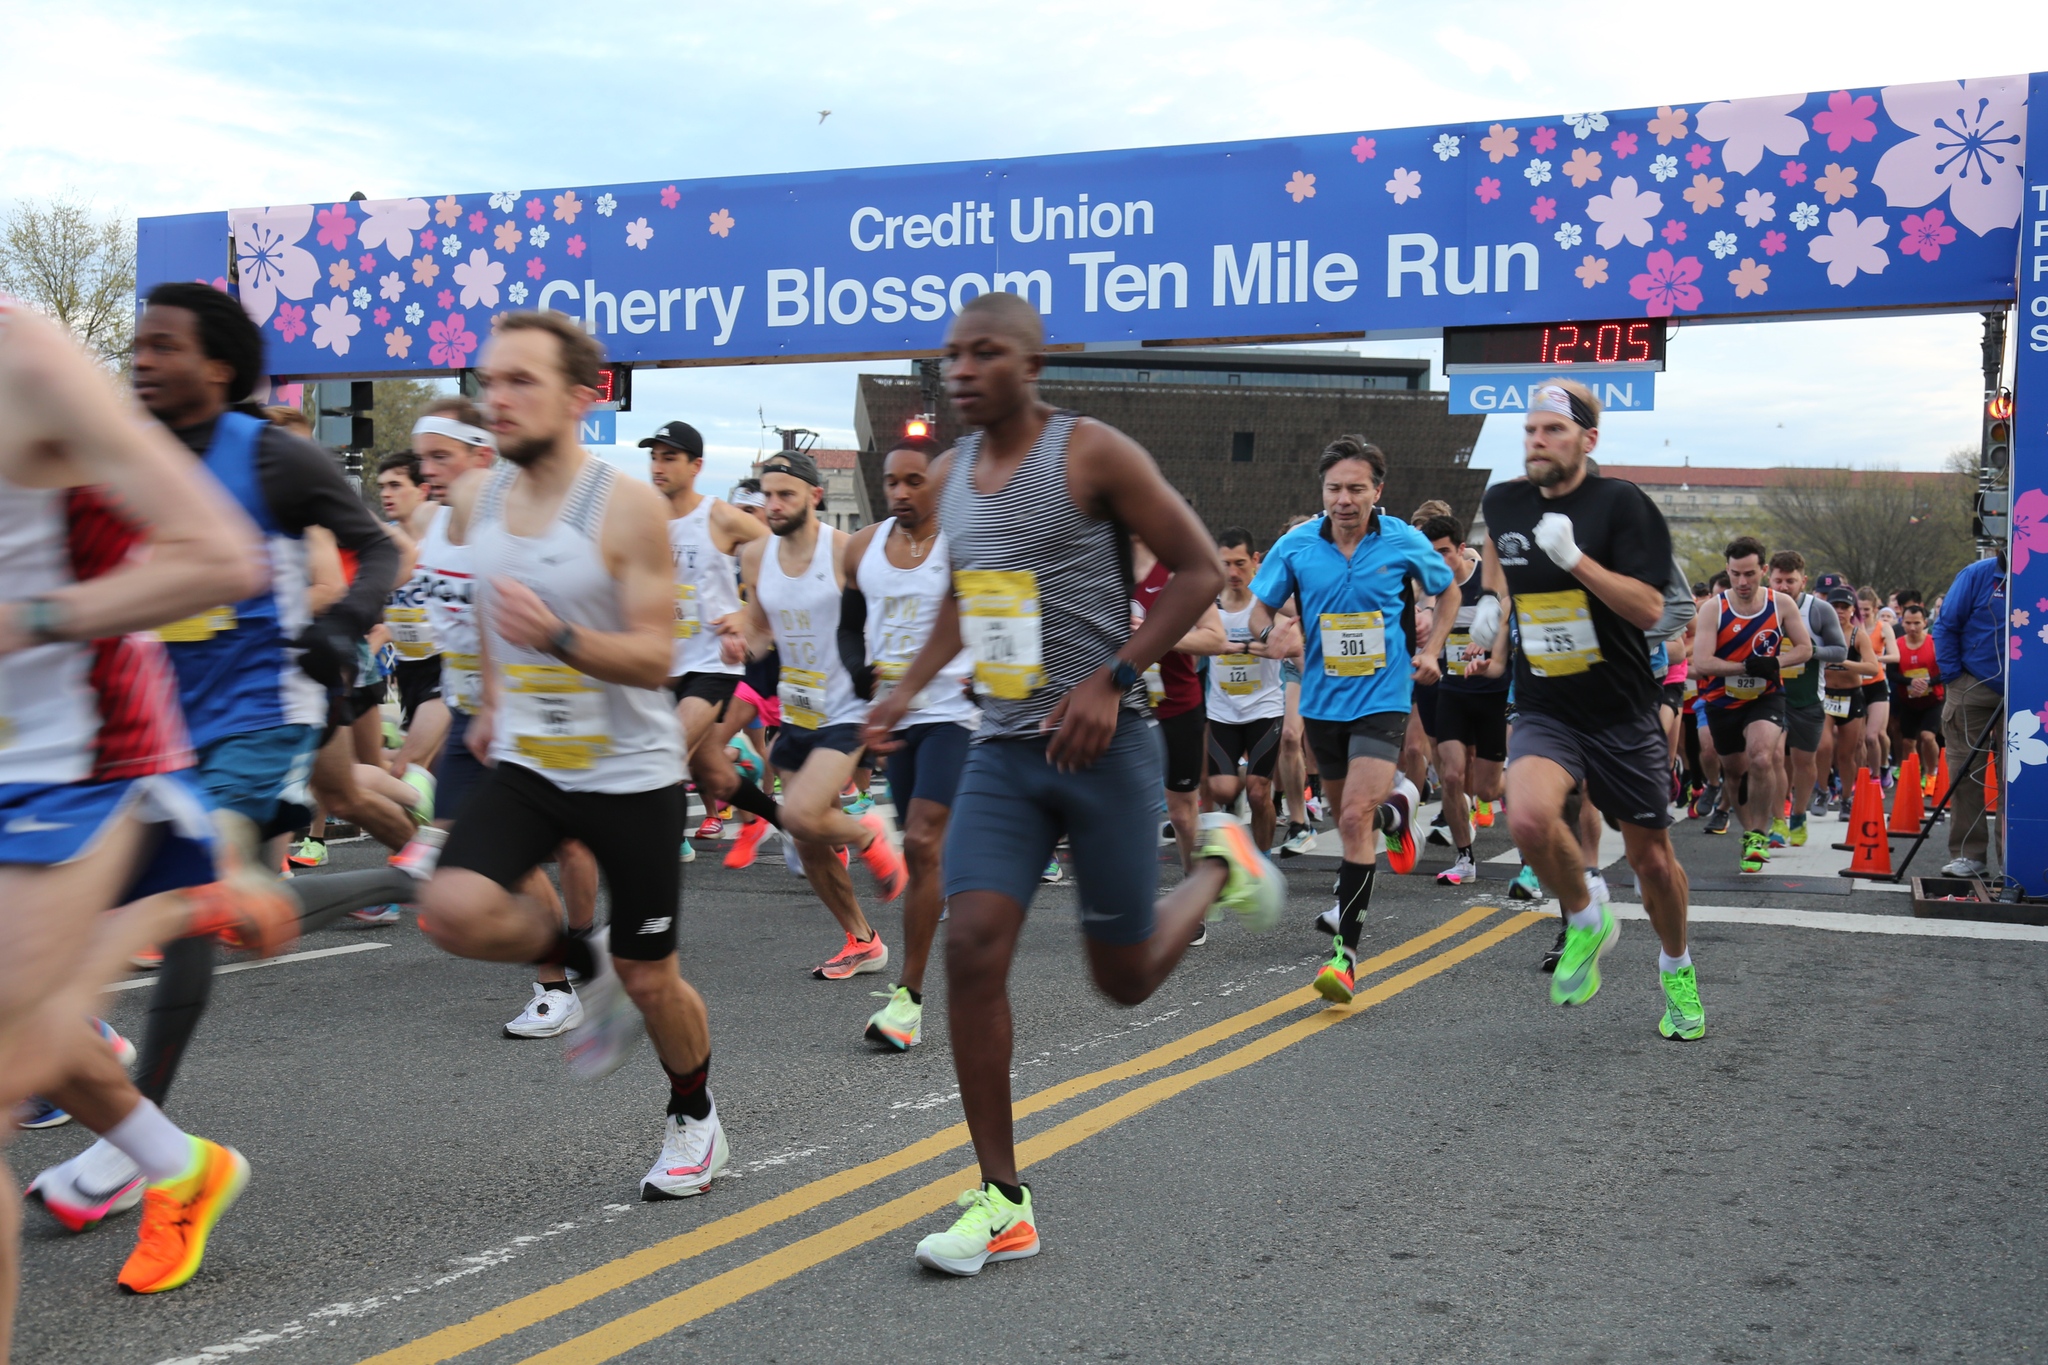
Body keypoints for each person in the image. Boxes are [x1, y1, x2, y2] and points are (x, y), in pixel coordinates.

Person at [862, 291, 1281, 1277]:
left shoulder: (1090, 451)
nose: (961, 370)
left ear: (1032, 363)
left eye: (984, 353)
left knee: (1123, 977)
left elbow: (1190, 574)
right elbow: (971, 600)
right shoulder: (955, 473)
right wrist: (903, 691)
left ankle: (1215, 863)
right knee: (970, 945)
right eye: (951, 355)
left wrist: (1115, 676)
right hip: (1004, 747)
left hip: (1106, 743)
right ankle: (1000, 1198)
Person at [0, 300, 283, 1335]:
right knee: (20, 1033)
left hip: (80, 763)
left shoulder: (26, 361)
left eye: (166, 347)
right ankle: (177, 1162)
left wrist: (26, 622)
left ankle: (203, 895)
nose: (145, 361)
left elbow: (221, 557)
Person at [413, 311, 726, 1201]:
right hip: (532, 763)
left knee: (652, 975)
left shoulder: (622, 504)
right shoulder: (480, 497)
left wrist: (552, 636)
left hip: (630, 775)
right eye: (489, 380)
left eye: (520, 381)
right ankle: (582, 965)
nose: (496, 398)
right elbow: (489, 596)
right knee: (455, 909)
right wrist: (496, 701)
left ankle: (695, 1116)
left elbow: (657, 656)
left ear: (582, 398)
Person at [1471, 380, 1703, 1037]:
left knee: (1652, 861)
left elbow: (1655, 610)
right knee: (1526, 815)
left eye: (1553, 431)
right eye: (1530, 431)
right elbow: (1500, 543)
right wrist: (1493, 598)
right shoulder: (1505, 499)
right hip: (1546, 702)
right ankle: (1584, 915)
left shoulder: (1621, 504)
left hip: (1622, 708)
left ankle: (1676, 968)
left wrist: (1575, 560)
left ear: (1588, 440)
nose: (1537, 443)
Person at [390, 398, 601, 1037]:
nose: (427, 470)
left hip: (534, 711)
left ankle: (566, 973)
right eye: (421, 458)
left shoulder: (516, 527)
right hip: (468, 714)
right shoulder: (429, 521)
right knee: (479, 861)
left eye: (441, 457)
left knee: (539, 851)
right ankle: (583, 961)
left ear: (482, 455)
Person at [1247, 436, 1455, 1002]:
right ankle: (1401, 809)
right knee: (1349, 818)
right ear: (1323, 491)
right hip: (1321, 702)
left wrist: (1432, 648)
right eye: (1334, 488)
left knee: (1354, 818)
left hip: (1384, 695)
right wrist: (1272, 635)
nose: (1344, 499)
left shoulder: (1403, 541)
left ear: (1377, 491)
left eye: (1356, 489)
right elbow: (1259, 609)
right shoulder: (1295, 546)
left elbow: (1449, 588)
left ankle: (1345, 958)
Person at [722, 448, 907, 978]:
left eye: (786, 494)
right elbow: (761, 628)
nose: (774, 504)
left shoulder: (846, 551)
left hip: (846, 709)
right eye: (768, 495)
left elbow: (880, 621)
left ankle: (868, 833)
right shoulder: (758, 556)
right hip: (796, 711)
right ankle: (862, 939)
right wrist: (741, 641)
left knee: (800, 814)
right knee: (803, 840)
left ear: (814, 496)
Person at [841, 434, 977, 1048]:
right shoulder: (863, 547)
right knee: (927, 853)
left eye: (913, 480)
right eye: (892, 480)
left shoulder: (964, 542)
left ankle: (909, 997)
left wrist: (997, 674)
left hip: (953, 713)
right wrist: (861, 678)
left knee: (922, 839)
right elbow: (846, 628)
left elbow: (1004, 611)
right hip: (892, 721)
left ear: (937, 485)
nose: (900, 491)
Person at [642, 419, 778, 864]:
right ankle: (787, 821)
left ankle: (654, 858)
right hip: (662, 665)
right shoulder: (645, 516)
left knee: (664, 757)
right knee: (716, 777)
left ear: (696, 465)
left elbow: (781, 552)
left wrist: (749, 617)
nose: (658, 466)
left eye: (670, 457)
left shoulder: (718, 516)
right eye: (653, 456)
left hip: (712, 664)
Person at [1691, 537, 1813, 874]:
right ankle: (1748, 834)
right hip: (1722, 698)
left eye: (1749, 574)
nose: (1743, 583)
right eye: (1735, 574)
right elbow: (1702, 662)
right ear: (1727, 571)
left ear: (1762, 570)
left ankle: (1760, 833)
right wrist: (1745, 667)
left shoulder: (1781, 604)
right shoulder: (1713, 608)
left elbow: (1804, 649)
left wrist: (1776, 663)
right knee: (1734, 770)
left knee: (1761, 756)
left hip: (1766, 695)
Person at [1131, 528, 1226, 942]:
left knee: (1182, 812)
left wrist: (1158, 633)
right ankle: (1130, 905)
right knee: (1124, 807)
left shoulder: (1175, 573)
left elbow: (1216, 638)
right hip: (1124, 707)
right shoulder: (1101, 569)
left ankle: (1193, 897)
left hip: (1177, 706)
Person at [1419, 514, 1506, 888]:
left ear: (1460, 548)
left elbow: (1509, 620)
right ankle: (1464, 857)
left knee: (1488, 789)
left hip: (1492, 693)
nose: (1438, 564)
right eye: (1431, 555)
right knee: (1451, 775)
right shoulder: (1429, 587)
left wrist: (1488, 643)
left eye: (1444, 554)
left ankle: (1530, 852)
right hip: (1452, 690)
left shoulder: (1488, 581)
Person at [1204, 529, 1289, 854]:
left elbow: (1284, 646)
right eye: (1225, 564)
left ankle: (1263, 858)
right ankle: (1238, 780)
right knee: (1223, 790)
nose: (1233, 573)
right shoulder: (1209, 604)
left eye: (1240, 563)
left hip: (1264, 708)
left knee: (1258, 791)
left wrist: (1236, 646)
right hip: (1223, 710)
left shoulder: (1266, 603)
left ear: (1255, 560)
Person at [1931, 550, 2005, 878]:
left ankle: (2015, 859)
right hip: (1972, 684)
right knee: (1964, 772)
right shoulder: (1977, 574)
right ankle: (1967, 855)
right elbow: (1946, 625)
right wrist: (1954, 677)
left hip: (2029, 693)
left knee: (2018, 779)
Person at [1766, 551, 1846, 848]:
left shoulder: (1819, 610)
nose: (1784, 587)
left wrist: (1809, 651)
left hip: (1808, 698)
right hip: (1772, 697)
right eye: (1778, 580)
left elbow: (1840, 651)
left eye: (1790, 581)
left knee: (1803, 761)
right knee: (1773, 756)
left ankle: (1798, 814)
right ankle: (1777, 820)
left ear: (1804, 580)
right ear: (1768, 577)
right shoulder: (1762, 606)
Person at [1820, 588, 1882, 813]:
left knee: (1846, 754)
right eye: (1834, 607)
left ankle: (1846, 797)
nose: (1839, 612)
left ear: (1852, 610)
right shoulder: (1821, 633)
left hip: (1851, 697)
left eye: (1844, 607)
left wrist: (1844, 662)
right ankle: (1823, 790)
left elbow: (1872, 667)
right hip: (1825, 696)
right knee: (1823, 746)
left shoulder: (1857, 635)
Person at [1892, 601, 1945, 791]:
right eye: (1908, 623)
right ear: (1902, 623)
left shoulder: (1934, 643)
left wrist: (1928, 682)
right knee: (1908, 741)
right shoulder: (1897, 644)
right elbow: (1891, 673)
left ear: (1925, 622)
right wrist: (1910, 682)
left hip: (1933, 700)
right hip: (1908, 701)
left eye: (1917, 623)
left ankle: (1932, 774)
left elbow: (1945, 672)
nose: (1912, 627)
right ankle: (1915, 775)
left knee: (1928, 737)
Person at [1858, 586, 1899, 786]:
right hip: (1856, 686)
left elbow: (1895, 655)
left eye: (1867, 609)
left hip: (1877, 685)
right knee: (1860, 739)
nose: (1863, 614)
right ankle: (1864, 774)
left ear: (1875, 608)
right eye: (1860, 610)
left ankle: (1882, 768)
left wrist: (1874, 659)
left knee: (1875, 736)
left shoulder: (1883, 628)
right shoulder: (1852, 628)